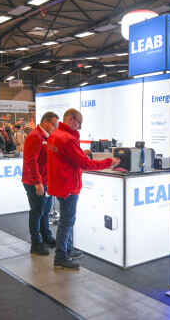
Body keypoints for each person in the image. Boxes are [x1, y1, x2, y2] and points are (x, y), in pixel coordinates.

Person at [47, 108, 120, 269]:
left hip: (60, 183)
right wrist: (109, 162)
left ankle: (67, 249)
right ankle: (61, 257)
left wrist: (79, 152)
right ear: (71, 119)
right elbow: (85, 164)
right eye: (79, 123)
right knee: (67, 221)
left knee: (67, 220)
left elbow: (66, 157)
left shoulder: (55, 135)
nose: (79, 127)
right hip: (67, 185)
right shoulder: (67, 138)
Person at [22, 111, 59, 256]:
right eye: (54, 125)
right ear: (45, 122)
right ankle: (36, 243)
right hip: (35, 183)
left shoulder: (48, 137)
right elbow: (31, 162)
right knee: (37, 212)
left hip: (46, 182)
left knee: (45, 212)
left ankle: (47, 237)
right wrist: (38, 182)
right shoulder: (35, 137)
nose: (55, 127)